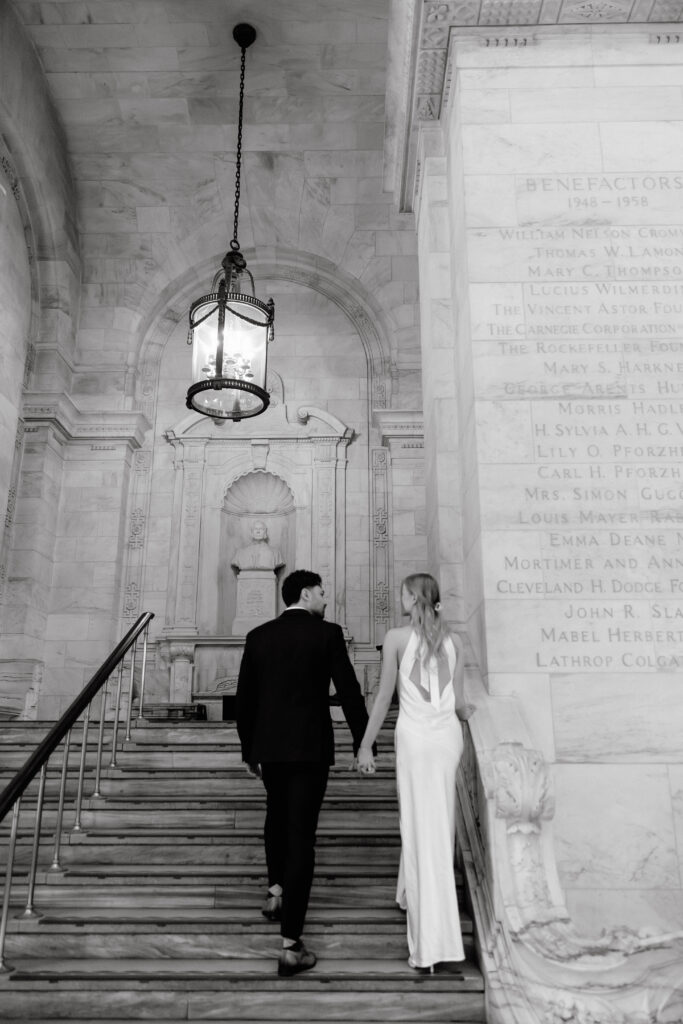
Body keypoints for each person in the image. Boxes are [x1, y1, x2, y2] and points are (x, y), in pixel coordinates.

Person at [235, 569, 371, 977]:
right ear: (307, 593)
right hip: (310, 749)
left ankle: (276, 891)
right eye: (323, 593)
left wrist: (248, 751)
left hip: (270, 750)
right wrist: (364, 741)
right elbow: (348, 691)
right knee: (301, 838)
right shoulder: (326, 634)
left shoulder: (258, 636)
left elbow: (245, 701)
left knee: (275, 816)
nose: (326, 600)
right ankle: (291, 945)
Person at [356, 572, 475, 972]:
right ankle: (409, 893)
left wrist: (366, 743)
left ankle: (430, 943)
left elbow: (384, 697)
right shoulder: (456, 642)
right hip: (446, 740)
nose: (400, 599)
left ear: (411, 598)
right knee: (437, 825)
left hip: (415, 740)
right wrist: (466, 715)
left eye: (403, 594)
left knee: (418, 826)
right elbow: (458, 703)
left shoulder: (395, 638)